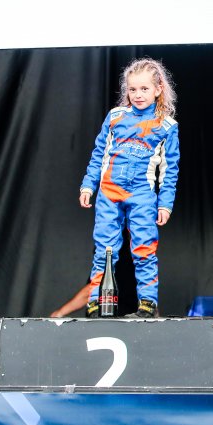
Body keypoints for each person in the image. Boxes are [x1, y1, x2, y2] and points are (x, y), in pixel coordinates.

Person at [79, 58, 180, 318]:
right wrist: (88, 185)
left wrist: (165, 204)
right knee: (104, 249)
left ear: (158, 89)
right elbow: (99, 154)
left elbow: (169, 170)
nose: (138, 95)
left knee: (144, 248)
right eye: (132, 89)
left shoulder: (166, 126)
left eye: (144, 89)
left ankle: (147, 304)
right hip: (109, 193)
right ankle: (96, 302)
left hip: (142, 195)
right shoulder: (115, 117)